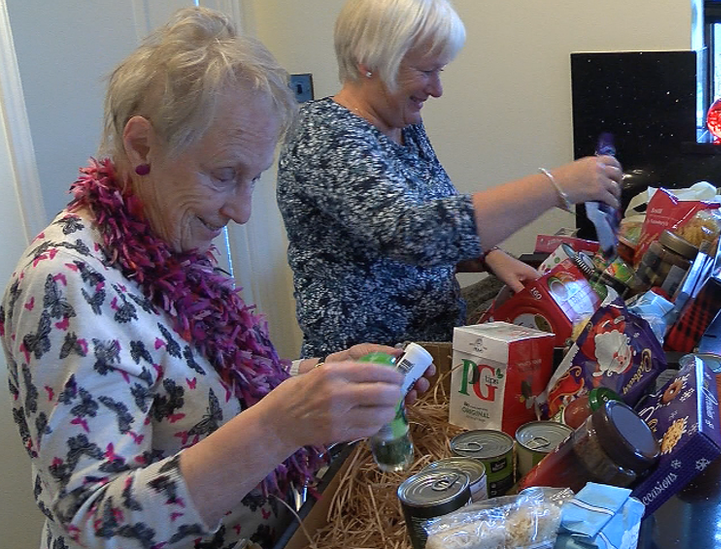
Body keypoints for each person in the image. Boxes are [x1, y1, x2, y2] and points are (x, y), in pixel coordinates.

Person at [0, 8, 433, 549]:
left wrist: (317, 376)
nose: (243, 210)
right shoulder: (65, 283)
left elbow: (200, 394)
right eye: (224, 175)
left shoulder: (169, 242)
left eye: (252, 178)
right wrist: (280, 425)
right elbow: (96, 528)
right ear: (141, 146)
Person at [277, 0, 623, 357]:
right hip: (365, 372)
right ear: (370, 61)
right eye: (426, 71)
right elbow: (411, 234)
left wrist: (488, 256)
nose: (437, 88)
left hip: (428, 354)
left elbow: (433, 219)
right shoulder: (324, 134)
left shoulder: (401, 125)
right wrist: (556, 185)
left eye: (439, 70)